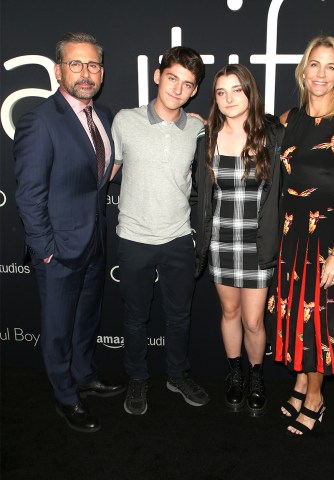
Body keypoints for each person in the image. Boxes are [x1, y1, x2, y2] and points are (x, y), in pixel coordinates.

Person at [14, 32, 125, 433]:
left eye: (93, 64)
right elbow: (28, 194)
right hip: (58, 250)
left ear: (102, 72)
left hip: (95, 241)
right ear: (59, 69)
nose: (85, 72)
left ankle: (84, 375)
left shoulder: (105, 116)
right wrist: (45, 250)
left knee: (85, 319)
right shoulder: (40, 120)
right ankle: (65, 396)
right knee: (59, 327)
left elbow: (104, 172)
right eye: (75, 64)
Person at [267, 35, 334, 435]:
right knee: (293, 313)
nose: (321, 74)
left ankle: (315, 397)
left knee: (316, 321)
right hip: (290, 233)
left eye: (331, 67)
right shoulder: (289, 119)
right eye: (315, 65)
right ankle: (299, 382)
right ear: (303, 70)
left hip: (323, 237)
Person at [111, 46, 209, 415]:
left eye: (187, 84)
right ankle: (137, 380)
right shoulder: (124, 119)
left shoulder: (199, 128)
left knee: (179, 316)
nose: (177, 89)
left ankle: (177, 375)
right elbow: (109, 171)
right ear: (157, 76)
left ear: (195, 90)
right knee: (135, 317)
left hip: (179, 238)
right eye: (172, 78)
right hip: (134, 237)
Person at [192, 64, 285, 416]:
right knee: (229, 311)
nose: (229, 98)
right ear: (214, 98)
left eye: (236, 90)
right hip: (220, 242)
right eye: (220, 92)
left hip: (259, 242)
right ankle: (235, 374)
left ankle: (256, 375)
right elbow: (199, 193)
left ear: (250, 92)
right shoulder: (207, 138)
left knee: (253, 321)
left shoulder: (273, 134)